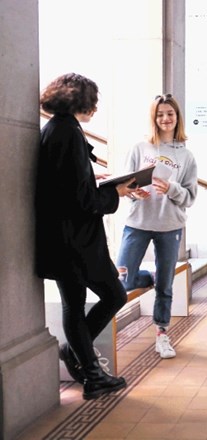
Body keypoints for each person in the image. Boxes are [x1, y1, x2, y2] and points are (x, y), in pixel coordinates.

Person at [36, 73, 134, 400]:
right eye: (93, 99)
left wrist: (94, 178)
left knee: (74, 305)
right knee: (114, 295)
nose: (95, 106)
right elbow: (83, 201)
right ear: (80, 100)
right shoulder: (66, 133)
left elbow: (68, 185)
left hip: (62, 238)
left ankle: (90, 372)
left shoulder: (58, 129)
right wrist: (116, 191)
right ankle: (81, 360)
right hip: (76, 240)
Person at [115, 94, 198, 359]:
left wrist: (172, 188)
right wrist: (132, 193)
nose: (165, 118)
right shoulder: (140, 148)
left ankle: (162, 333)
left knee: (166, 285)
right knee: (123, 280)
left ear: (177, 118)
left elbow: (190, 196)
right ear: (154, 117)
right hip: (137, 223)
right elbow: (123, 185)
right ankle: (145, 278)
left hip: (170, 227)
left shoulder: (186, 155)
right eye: (160, 114)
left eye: (170, 114)